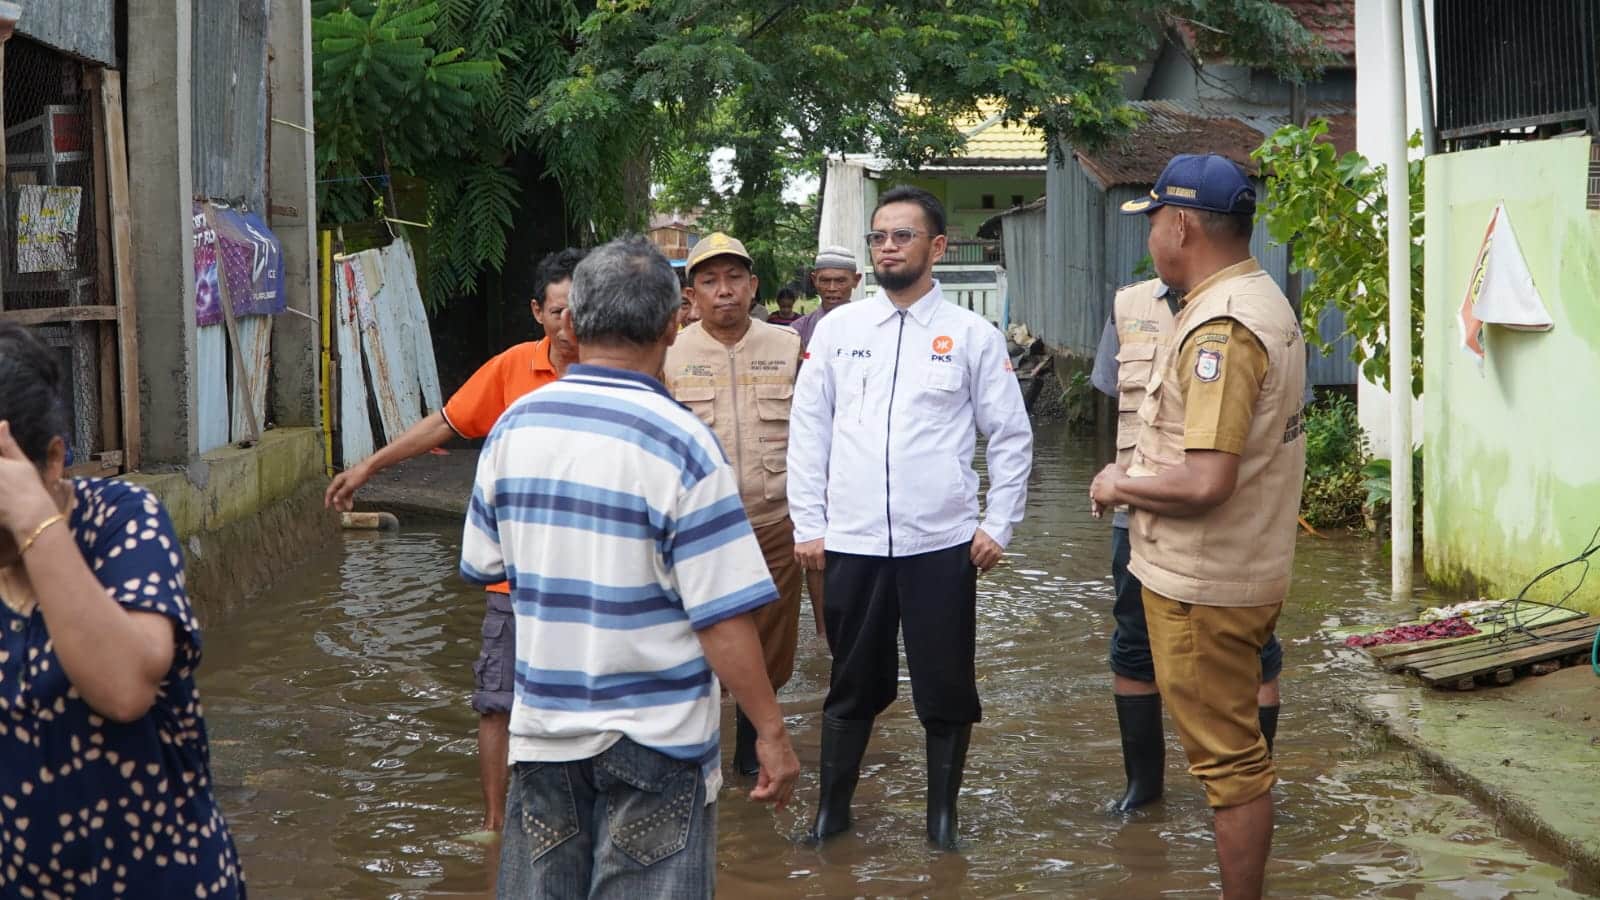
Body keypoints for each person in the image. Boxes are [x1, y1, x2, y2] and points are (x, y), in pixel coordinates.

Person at [462, 236, 800, 898]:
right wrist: (772, 731)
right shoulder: (684, 444)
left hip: (544, 732)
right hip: (658, 737)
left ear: (576, 319)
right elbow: (723, 615)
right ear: (676, 323)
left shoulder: (514, 427)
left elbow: (487, 562)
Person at [788, 186, 1033, 850]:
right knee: (850, 681)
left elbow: (1009, 436)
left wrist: (997, 524)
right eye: (879, 237)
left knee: (945, 683)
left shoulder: (972, 337)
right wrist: (808, 524)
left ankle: (941, 822)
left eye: (901, 235)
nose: (888, 246)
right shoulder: (839, 332)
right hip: (855, 541)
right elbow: (808, 433)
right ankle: (831, 813)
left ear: (937, 248)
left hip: (941, 543)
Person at [1090, 154, 1307, 900]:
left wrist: (1120, 480)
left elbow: (1209, 478)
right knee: (1235, 754)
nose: (1150, 237)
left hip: (1203, 580)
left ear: (1180, 224)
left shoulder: (1221, 326)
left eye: (1152, 221)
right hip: (1235, 567)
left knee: (1230, 766)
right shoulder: (1256, 298)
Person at [325, 247, 585, 835]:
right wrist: (369, 467)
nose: (570, 323)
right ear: (538, 313)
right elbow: (445, 423)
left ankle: (572, 819)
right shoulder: (512, 369)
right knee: (496, 701)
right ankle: (494, 825)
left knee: (585, 702)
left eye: (580, 309)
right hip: (513, 576)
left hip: (591, 576)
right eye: (559, 310)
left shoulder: (616, 369)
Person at [0, 322, 246, 898]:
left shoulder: (123, 519)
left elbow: (125, 688)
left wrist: (35, 521)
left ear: (54, 461)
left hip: (159, 879)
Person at [1089, 278, 1285, 812]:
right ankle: (1143, 790)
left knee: (1254, 655)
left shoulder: (1256, 311)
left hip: (1227, 521)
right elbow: (1115, 403)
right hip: (1137, 511)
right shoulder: (1128, 305)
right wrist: (1115, 480)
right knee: (1132, 647)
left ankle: (1249, 787)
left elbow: (1279, 422)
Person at [664, 232, 813, 778]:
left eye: (734, 279)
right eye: (709, 281)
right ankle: (694, 756)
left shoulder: (789, 347)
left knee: (772, 645)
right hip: (698, 530)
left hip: (776, 523)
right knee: (693, 642)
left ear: (753, 287)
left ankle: (753, 756)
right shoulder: (670, 354)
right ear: (692, 294)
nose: (723, 291)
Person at [792, 245, 862, 349]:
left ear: (855, 280)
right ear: (814, 280)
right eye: (825, 281)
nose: (832, 288)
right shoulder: (798, 331)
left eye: (840, 281)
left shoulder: (870, 326)